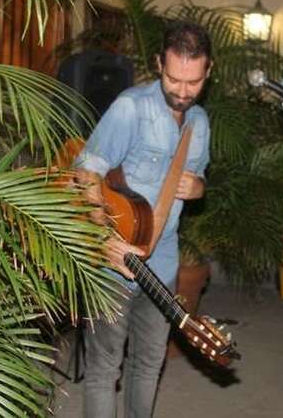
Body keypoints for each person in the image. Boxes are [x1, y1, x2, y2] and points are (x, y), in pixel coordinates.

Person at [75, 21, 212, 418]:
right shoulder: (130, 108)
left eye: (193, 82)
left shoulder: (200, 122)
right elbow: (86, 172)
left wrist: (197, 187)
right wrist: (104, 238)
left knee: (149, 364)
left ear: (208, 72)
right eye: (173, 80)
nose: (182, 92)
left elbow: (201, 176)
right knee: (104, 369)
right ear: (158, 65)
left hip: (163, 263)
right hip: (114, 262)